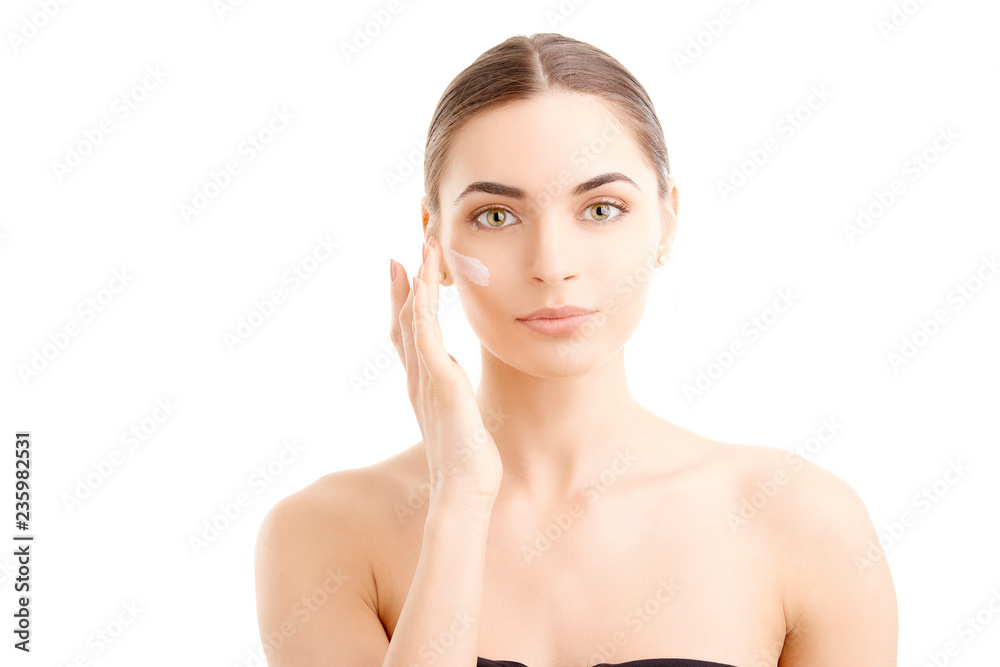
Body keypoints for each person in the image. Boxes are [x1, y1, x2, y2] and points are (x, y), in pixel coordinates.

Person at [254, 32, 898, 667]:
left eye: (600, 209)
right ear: (436, 242)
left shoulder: (802, 524)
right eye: (497, 216)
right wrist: (461, 497)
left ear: (666, 222)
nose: (552, 265)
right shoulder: (323, 537)